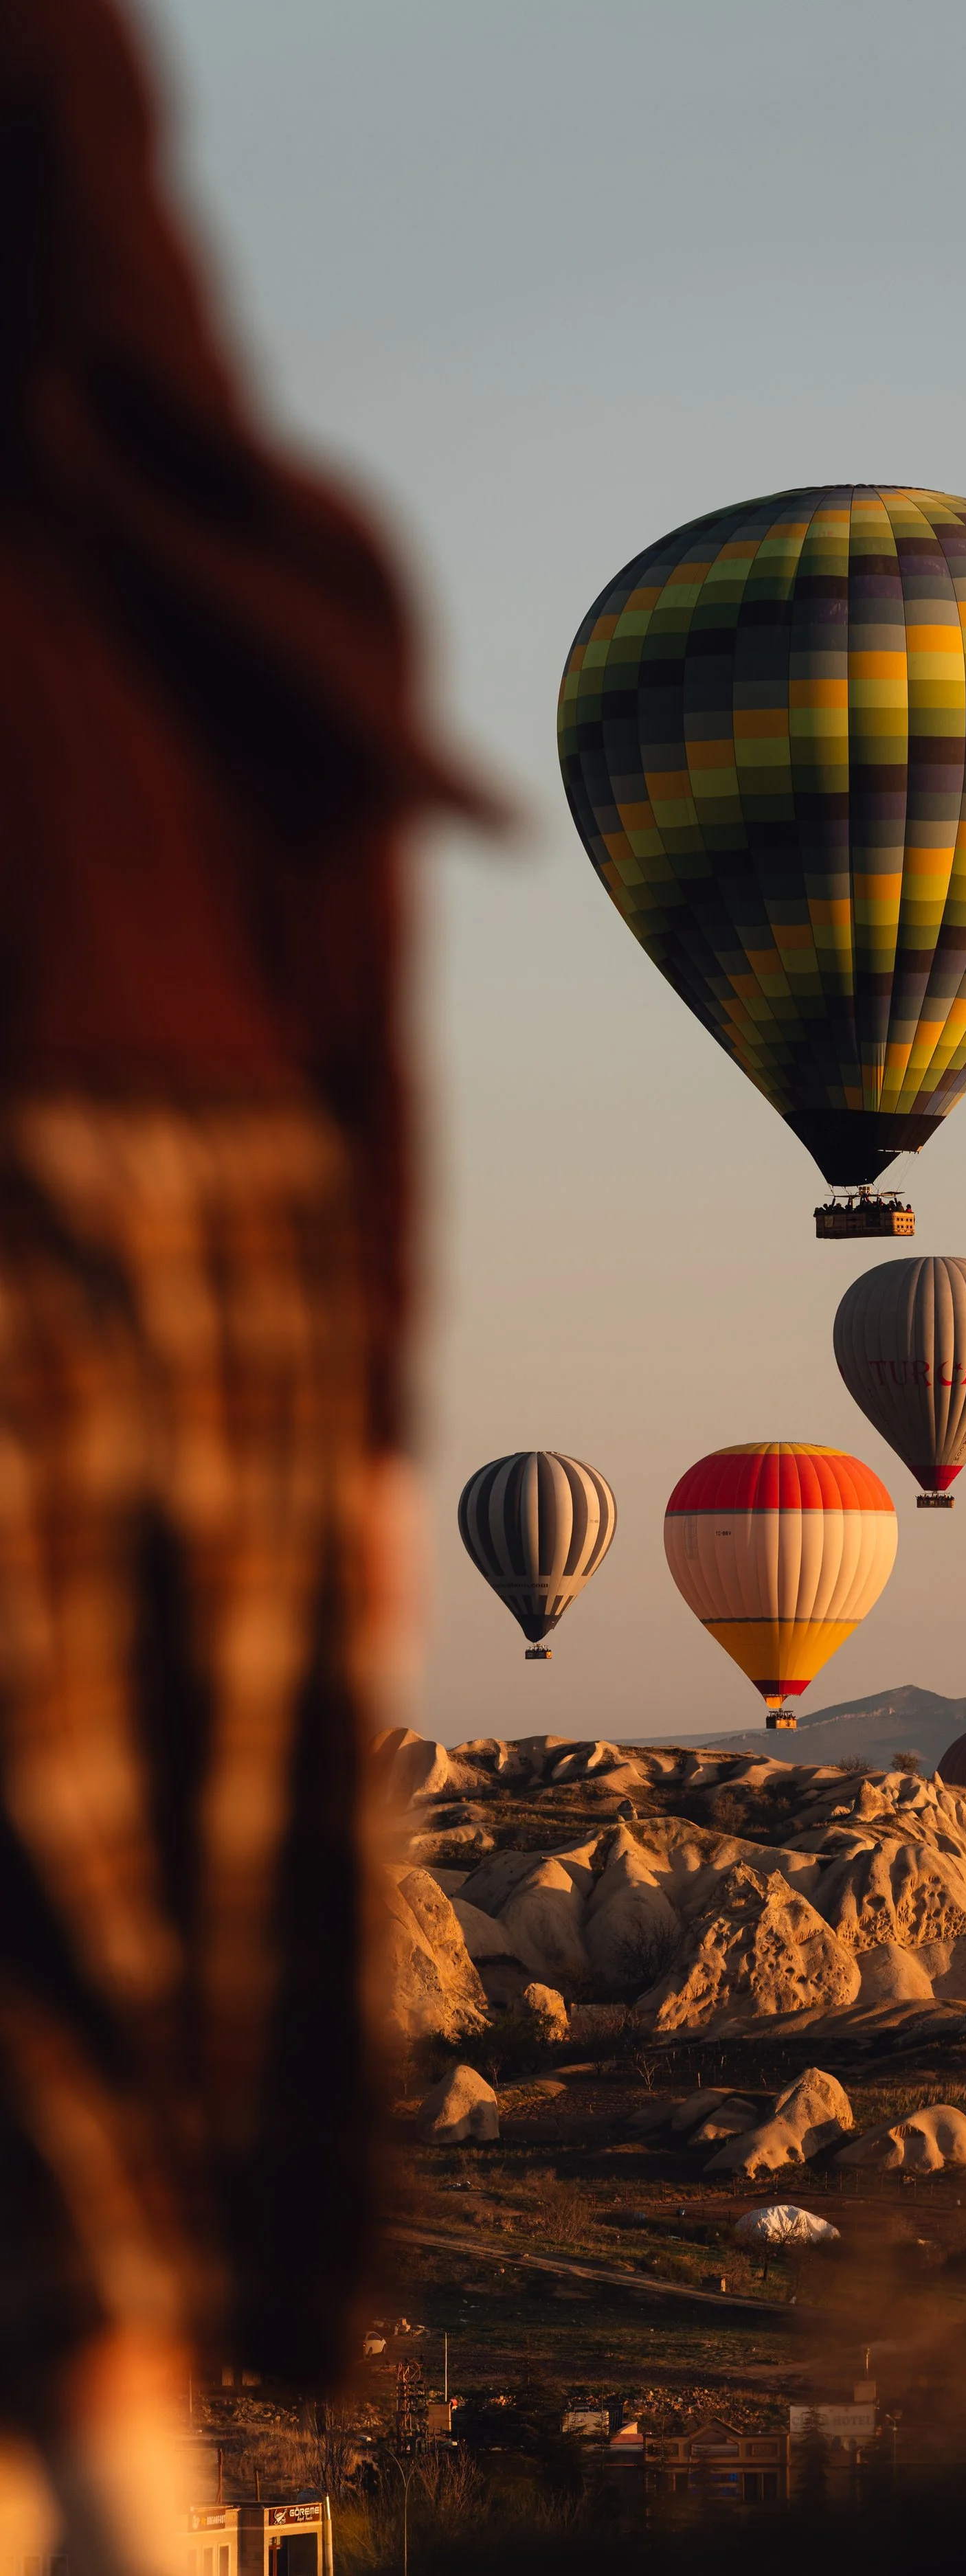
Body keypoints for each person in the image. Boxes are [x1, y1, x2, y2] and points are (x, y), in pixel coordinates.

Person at [0, 4, 492, 2566]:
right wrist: (377, 1462)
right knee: (101, 2071)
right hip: (238, 1299)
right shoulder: (265, 561)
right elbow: (360, 1067)